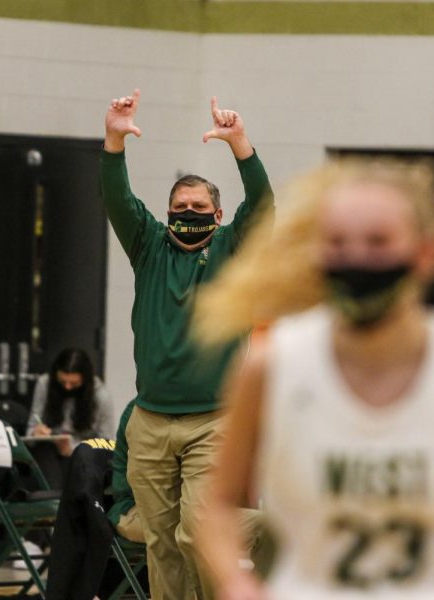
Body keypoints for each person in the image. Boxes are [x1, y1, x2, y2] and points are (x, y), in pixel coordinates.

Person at [192, 157, 434, 599]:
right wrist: (238, 584)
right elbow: (217, 508)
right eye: (337, 242)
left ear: (428, 253)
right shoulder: (272, 367)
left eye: (377, 241)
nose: (356, 258)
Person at [102, 89, 273, 599]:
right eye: (180, 206)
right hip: (150, 421)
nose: (188, 212)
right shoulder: (149, 245)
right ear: (167, 212)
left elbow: (262, 207)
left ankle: (276, 535)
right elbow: (116, 199)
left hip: (214, 420)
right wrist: (115, 138)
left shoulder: (232, 249)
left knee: (198, 533)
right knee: (162, 542)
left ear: (217, 216)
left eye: (199, 207)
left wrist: (239, 143)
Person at [26, 348, 114, 492]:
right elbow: (31, 427)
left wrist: (73, 449)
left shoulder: (101, 396)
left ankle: (58, 504)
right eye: (63, 382)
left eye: (74, 384)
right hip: (49, 449)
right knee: (44, 454)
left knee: (79, 466)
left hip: (83, 454)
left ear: (85, 380)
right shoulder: (45, 383)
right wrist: (36, 433)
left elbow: (107, 443)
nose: (67, 387)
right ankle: (52, 504)